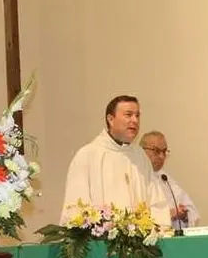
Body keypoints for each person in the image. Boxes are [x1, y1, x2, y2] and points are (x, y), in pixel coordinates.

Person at [60, 95, 171, 226]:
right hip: (102, 237)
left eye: (137, 115)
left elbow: (157, 204)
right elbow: (76, 207)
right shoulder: (88, 156)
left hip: (140, 238)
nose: (135, 120)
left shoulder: (140, 157)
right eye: (128, 115)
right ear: (111, 119)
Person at [140, 130, 200, 230]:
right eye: (156, 151)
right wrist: (169, 214)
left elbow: (192, 212)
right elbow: (135, 215)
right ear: (141, 151)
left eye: (164, 151)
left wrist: (184, 215)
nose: (161, 156)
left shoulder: (165, 179)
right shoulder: (135, 177)